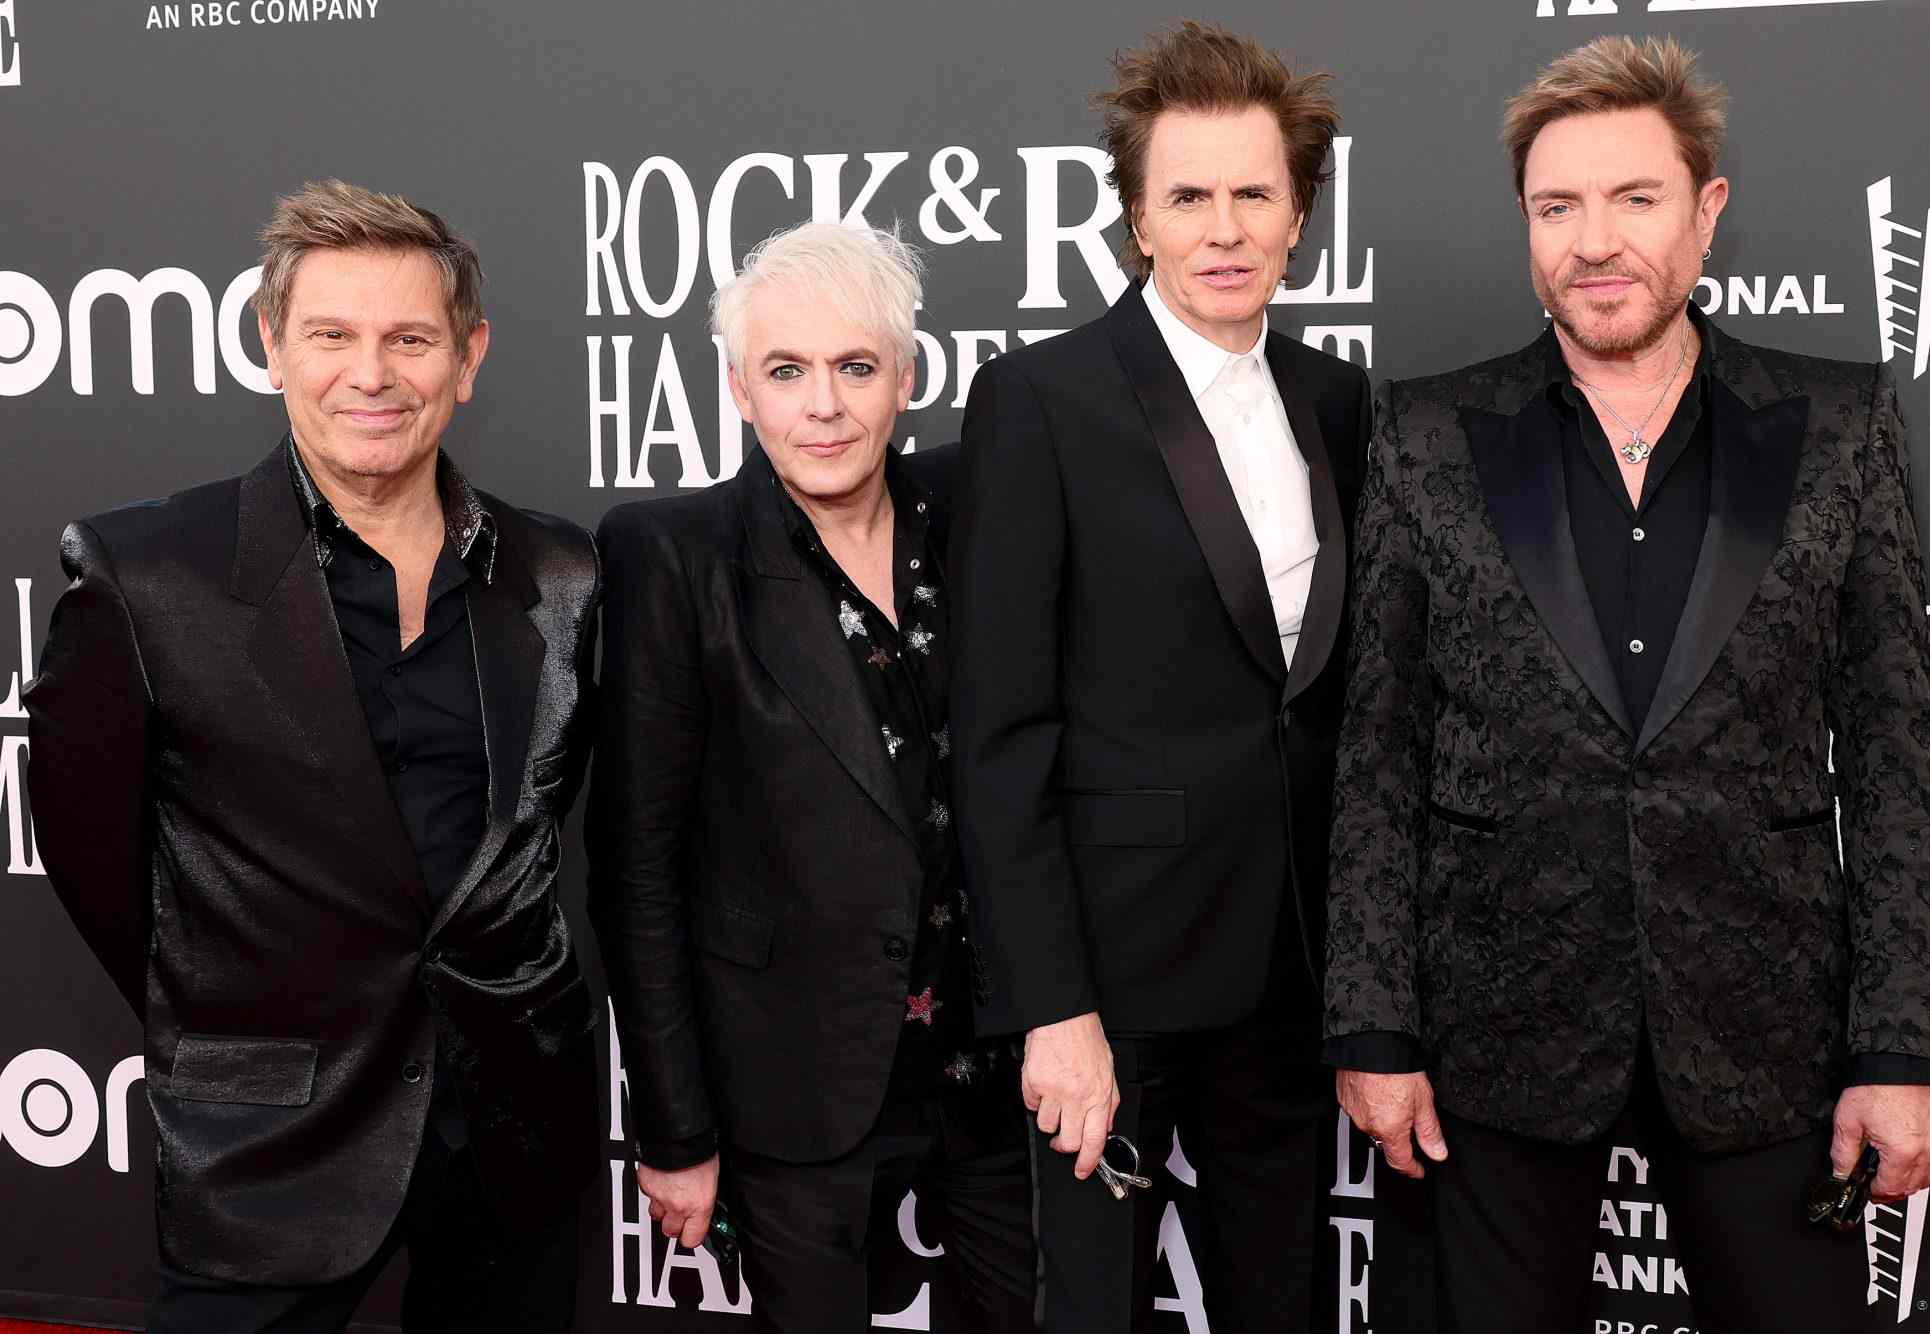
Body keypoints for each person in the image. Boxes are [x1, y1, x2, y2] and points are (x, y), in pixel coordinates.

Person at [1324, 36, 1930, 1333]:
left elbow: (1897, 745)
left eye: (1633, 198)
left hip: (1764, 1025)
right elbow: (1380, 744)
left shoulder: (1837, 422)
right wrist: (1373, 1028)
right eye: (1557, 207)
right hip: (1497, 1029)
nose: (1593, 240)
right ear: (1525, 224)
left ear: (1705, 208)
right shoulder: (1431, 430)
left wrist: (1901, 1050)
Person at [26, 180, 601, 1333]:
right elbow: (95, 859)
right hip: (269, 1125)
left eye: (410, 338)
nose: (371, 374)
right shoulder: (147, 574)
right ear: (271, 345)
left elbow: (543, 831)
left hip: (513, 1111)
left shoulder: (559, 575)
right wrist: (240, 1005)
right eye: (331, 335)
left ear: (468, 354)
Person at [949, 22, 1370, 1331]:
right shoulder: (1041, 399)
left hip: (1294, 964)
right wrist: (1052, 1008)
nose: (1224, 226)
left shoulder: (1343, 402)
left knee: (1283, 1299)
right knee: (1091, 1307)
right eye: (1189, 194)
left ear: (1301, 213)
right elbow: (1000, 732)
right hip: (1112, 980)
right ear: (1137, 217)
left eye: (1254, 192)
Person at [589, 221, 1033, 1332]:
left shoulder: (978, 511)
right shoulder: (672, 554)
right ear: (740, 387)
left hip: (993, 1060)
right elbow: (635, 866)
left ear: (907, 377)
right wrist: (674, 1130)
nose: (822, 405)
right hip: (790, 1075)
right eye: (786, 370)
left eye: (855, 366)